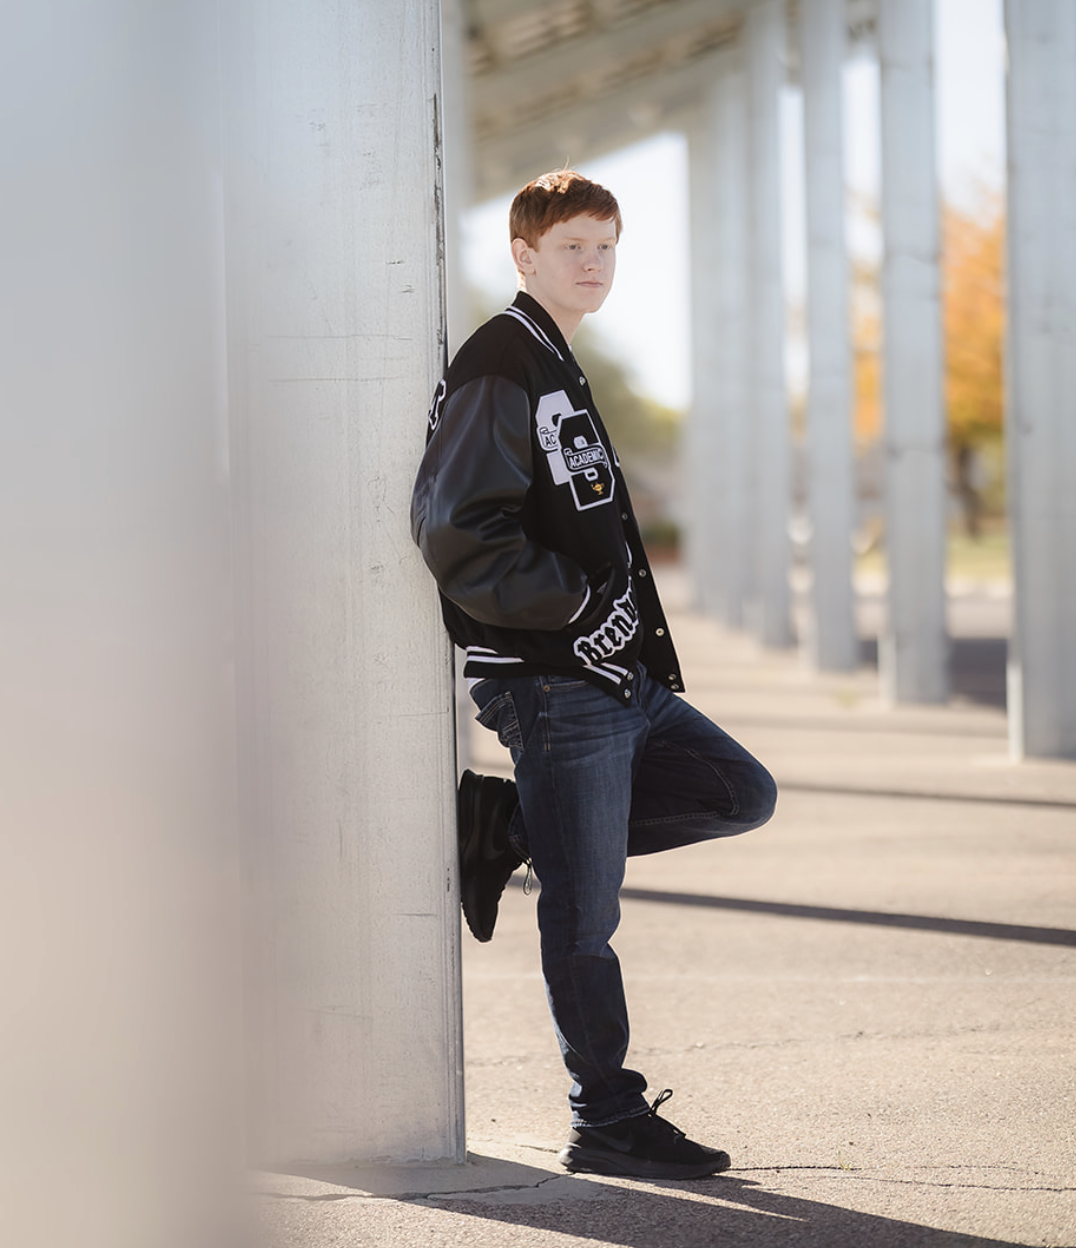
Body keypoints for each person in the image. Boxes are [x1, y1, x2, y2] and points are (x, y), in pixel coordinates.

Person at [410, 170, 776, 1180]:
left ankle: (513, 829)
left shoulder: (552, 360)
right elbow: (455, 529)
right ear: (524, 256)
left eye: (607, 246)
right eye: (572, 245)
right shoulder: (501, 360)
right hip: (553, 680)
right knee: (583, 910)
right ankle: (604, 1116)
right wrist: (573, 609)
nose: (593, 264)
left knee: (738, 791)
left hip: (616, 677)